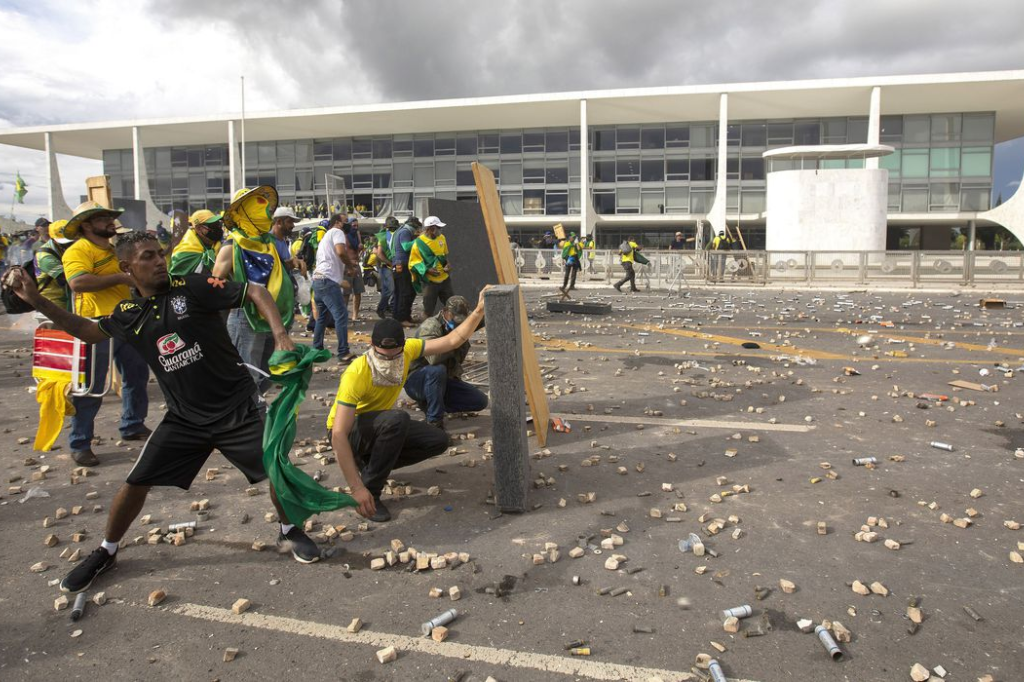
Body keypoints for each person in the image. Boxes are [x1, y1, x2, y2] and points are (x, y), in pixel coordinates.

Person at [7, 233, 330, 593]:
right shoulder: (129, 314)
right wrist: (35, 298)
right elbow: (85, 330)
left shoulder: (193, 286)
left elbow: (255, 291)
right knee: (135, 483)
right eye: (149, 257)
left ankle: (288, 530)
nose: (160, 261)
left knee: (276, 469)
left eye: (161, 254)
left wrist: (281, 335)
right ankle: (107, 551)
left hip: (236, 408)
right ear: (128, 268)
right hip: (185, 419)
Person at [327, 295, 487, 522]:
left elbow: (452, 341)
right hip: (350, 432)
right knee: (397, 420)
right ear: (372, 346)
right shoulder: (357, 373)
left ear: (403, 347)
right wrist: (356, 488)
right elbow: (338, 433)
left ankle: (370, 466)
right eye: (383, 356)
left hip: (379, 426)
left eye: (395, 356)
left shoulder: (410, 349)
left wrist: (479, 309)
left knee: (438, 440)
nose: (390, 361)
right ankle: (370, 492)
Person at [61, 201, 151, 466]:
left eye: (111, 217)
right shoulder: (79, 250)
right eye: (104, 219)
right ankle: (80, 442)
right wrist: (122, 279)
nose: (111, 222)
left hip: (125, 320)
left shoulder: (113, 250)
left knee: (137, 375)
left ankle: (133, 424)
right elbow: (78, 282)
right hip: (95, 325)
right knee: (91, 386)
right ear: (87, 225)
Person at [213, 186, 295, 393]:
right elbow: (214, 285)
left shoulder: (267, 244)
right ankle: (248, 416)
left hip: (271, 315)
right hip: (245, 316)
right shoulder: (232, 246)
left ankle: (253, 406)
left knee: (269, 371)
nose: (266, 210)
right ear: (244, 212)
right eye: (258, 204)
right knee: (247, 374)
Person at [405, 296, 488, 430]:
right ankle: (434, 423)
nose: (459, 324)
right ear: (445, 312)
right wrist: (455, 340)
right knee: (437, 370)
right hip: (418, 380)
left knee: (480, 401)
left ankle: (433, 402)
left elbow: (481, 317)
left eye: (462, 321)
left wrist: (485, 303)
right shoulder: (430, 326)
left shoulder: (460, 323)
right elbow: (434, 358)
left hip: (443, 381)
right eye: (455, 320)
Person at [311, 214, 357, 363]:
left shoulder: (325, 237)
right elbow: (341, 252)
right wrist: (350, 267)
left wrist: (345, 269)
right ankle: (343, 352)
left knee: (322, 317)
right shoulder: (337, 232)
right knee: (341, 315)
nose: (348, 224)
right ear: (337, 223)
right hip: (326, 280)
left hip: (318, 280)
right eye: (346, 222)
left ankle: (316, 350)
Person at [409, 216, 452, 317]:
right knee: (428, 310)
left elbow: (444, 255)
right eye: (439, 228)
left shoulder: (442, 238)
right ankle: (426, 330)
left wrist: (448, 265)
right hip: (430, 282)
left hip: (445, 279)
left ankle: (453, 329)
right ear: (432, 229)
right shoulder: (419, 243)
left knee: (452, 306)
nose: (441, 230)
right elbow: (413, 263)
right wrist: (427, 270)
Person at [34, 219, 76, 310]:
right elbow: (69, 278)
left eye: (70, 241)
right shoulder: (45, 256)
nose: (69, 245)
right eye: (64, 243)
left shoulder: (62, 249)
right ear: (52, 238)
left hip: (66, 297)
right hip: (52, 302)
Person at [169, 210, 223, 276]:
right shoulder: (185, 249)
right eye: (213, 225)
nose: (217, 228)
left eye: (218, 224)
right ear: (198, 229)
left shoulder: (213, 243)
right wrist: (216, 253)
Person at [390, 216, 420, 327]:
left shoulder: (401, 231)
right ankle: (402, 318)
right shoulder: (405, 232)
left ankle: (400, 316)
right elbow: (406, 247)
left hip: (399, 264)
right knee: (406, 292)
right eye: (417, 228)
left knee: (401, 292)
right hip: (402, 264)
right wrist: (418, 239)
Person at [373, 217, 399, 318]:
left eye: (394, 228)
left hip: (391, 264)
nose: (392, 230)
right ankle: (381, 308)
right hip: (384, 266)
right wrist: (389, 262)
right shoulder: (383, 237)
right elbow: (377, 252)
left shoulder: (394, 235)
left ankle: (389, 307)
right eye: (391, 228)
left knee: (392, 289)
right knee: (389, 289)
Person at [343, 217, 365, 322]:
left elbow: (360, 249)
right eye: (354, 226)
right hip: (347, 266)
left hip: (356, 264)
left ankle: (355, 315)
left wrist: (360, 245)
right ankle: (344, 314)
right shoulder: (345, 236)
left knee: (358, 291)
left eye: (357, 226)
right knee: (346, 293)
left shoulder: (357, 235)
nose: (355, 228)